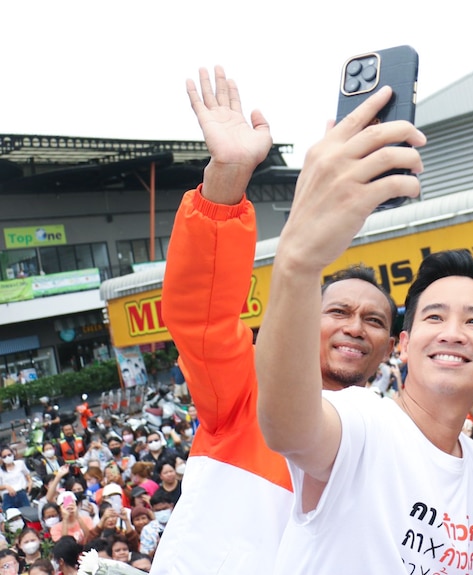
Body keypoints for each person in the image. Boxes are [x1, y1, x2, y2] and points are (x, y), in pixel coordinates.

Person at [154, 66, 399, 574]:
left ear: (393, 346)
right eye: (338, 311)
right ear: (306, 321)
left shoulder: (393, 439)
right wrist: (228, 175)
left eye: (373, 320)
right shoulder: (247, 394)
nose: (355, 326)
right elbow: (203, 313)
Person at [256, 85, 473, 572]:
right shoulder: (361, 421)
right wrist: (298, 262)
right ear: (405, 347)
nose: (453, 332)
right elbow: (288, 426)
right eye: (434, 317)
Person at [0, 447, 31, 512]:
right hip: (8, 497)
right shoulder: (1, 470)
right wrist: (6, 486)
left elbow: (27, 475)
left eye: (9, 455)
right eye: (4, 456)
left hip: (22, 493)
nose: (7, 457)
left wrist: (30, 483)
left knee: (27, 515)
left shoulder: (20, 464)